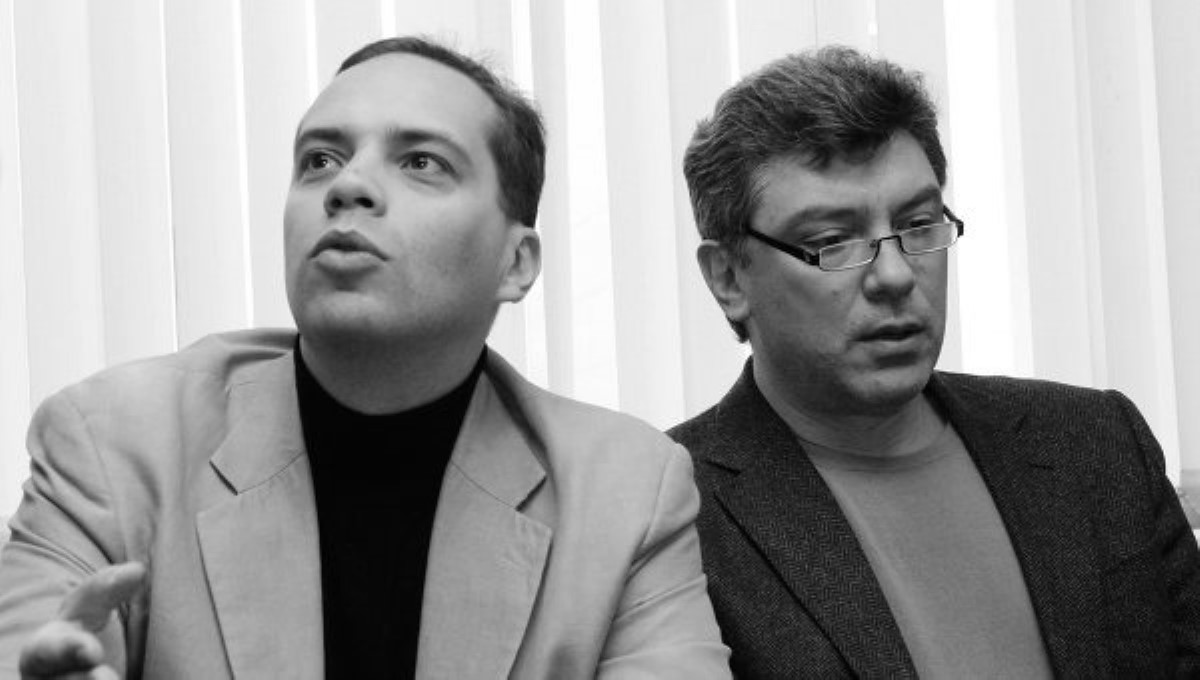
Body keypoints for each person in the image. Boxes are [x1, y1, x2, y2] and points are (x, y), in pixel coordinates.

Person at [0, 37, 729, 679]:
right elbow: (35, 644)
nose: (347, 185)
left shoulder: (623, 491)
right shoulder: (116, 443)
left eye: (421, 162)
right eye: (319, 160)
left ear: (515, 263)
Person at [672, 45, 1200, 678]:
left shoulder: (1095, 442)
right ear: (728, 278)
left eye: (919, 225)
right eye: (832, 242)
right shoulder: (669, 515)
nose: (895, 275)